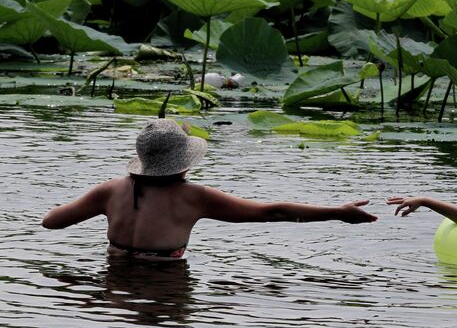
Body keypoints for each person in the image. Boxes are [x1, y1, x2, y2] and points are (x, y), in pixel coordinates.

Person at [42, 119, 377, 260]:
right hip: (166, 287)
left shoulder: (111, 190)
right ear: (183, 162)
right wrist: (338, 213)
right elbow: (271, 212)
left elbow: (51, 222)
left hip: (115, 284)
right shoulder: (193, 197)